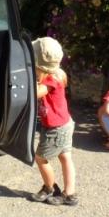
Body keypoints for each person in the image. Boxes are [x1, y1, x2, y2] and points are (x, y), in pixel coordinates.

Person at [30, 36, 78, 206]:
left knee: (40, 158)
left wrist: (27, 82)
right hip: (65, 123)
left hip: (55, 128)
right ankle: (70, 193)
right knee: (66, 157)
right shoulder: (58, 74)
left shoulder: (50, 80)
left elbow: (36, 93)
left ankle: (50, 188)